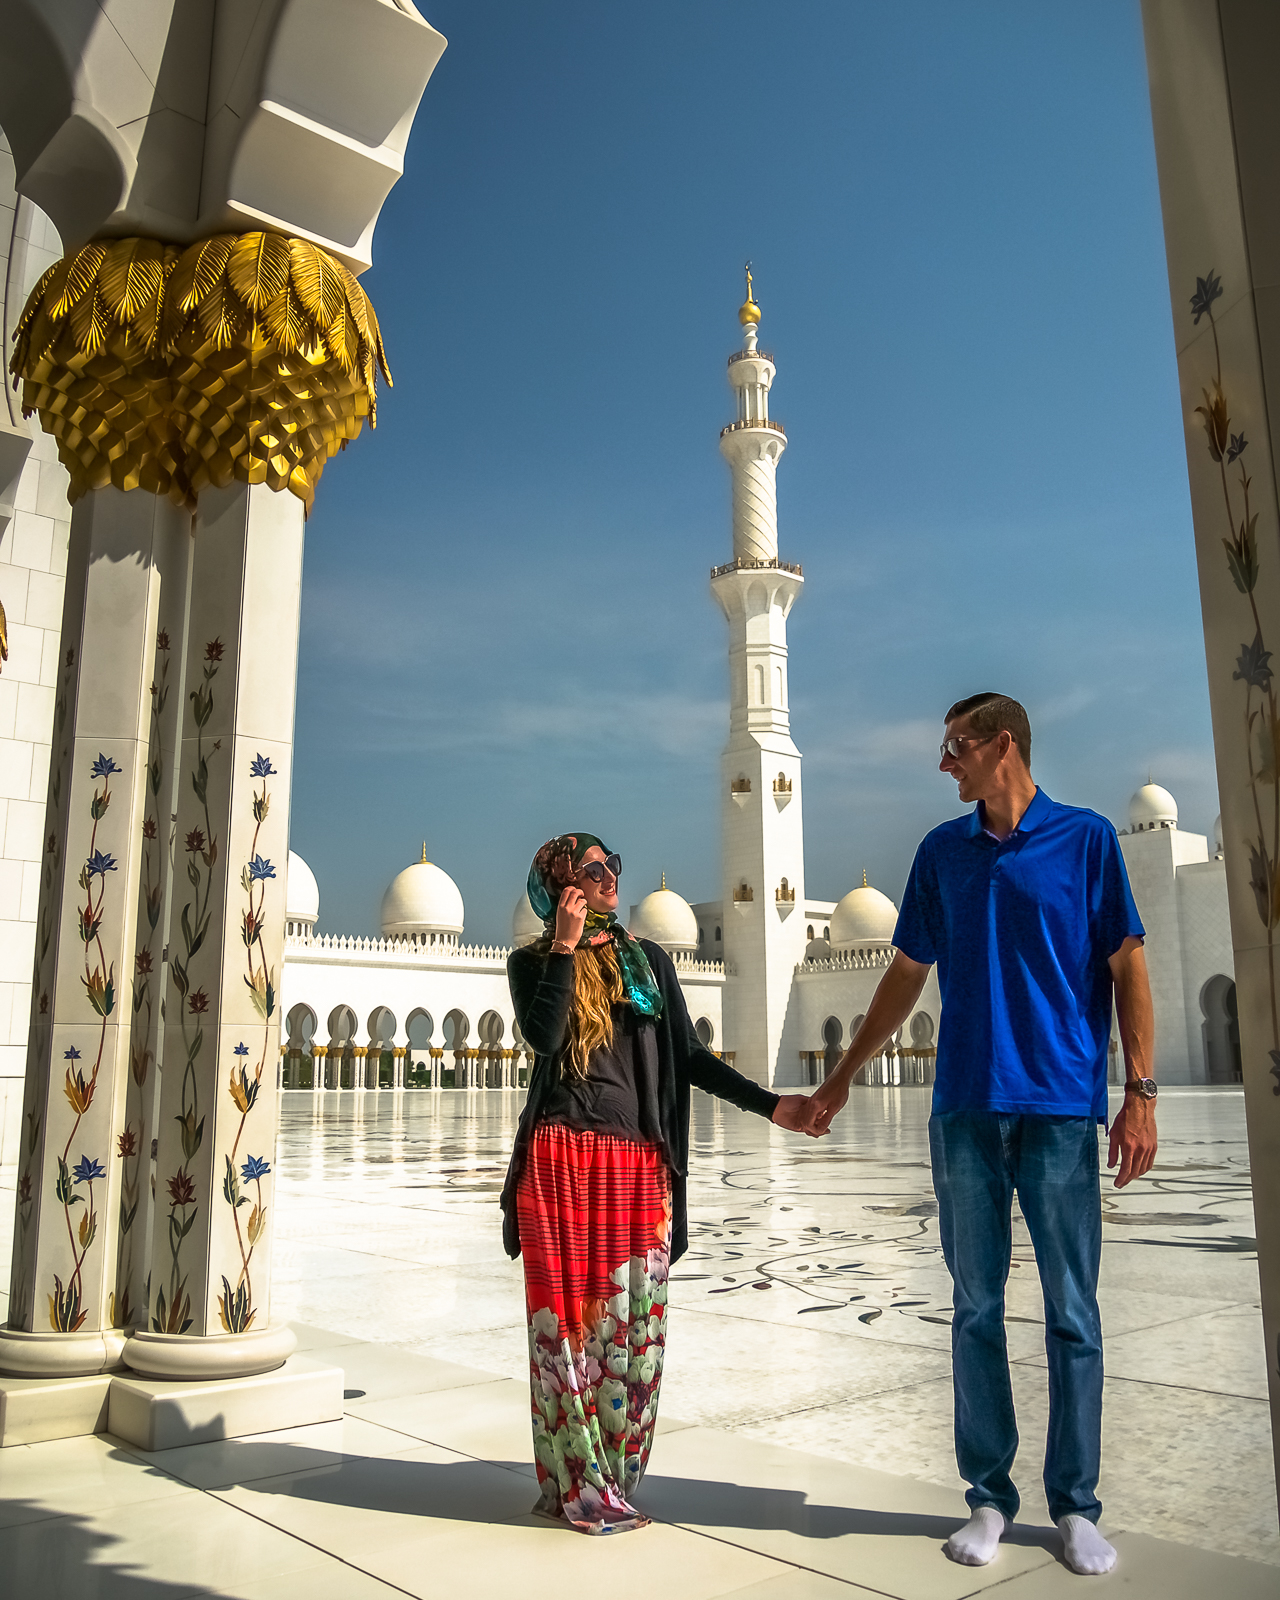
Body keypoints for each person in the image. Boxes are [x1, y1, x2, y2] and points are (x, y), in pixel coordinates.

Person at [810, 693, 1157, 1578]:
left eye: (955, 747)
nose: (943, 763)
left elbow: (1127, 965)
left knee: (1073, 1312)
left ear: (1004, 746)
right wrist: (843, 1077)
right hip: (965, 1109)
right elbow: (903, 976)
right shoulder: (942, 854)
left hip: (1059, 1111)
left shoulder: (1084, 841)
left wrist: (1140, 1091)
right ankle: (989, 1497)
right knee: (975, 1308)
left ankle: (1075, 1505)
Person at [501, 831, 822, 1534]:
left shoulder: (649, 962)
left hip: (637, 1167)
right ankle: (577, 1487)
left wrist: (775, 1106)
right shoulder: (531, 963)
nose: (609, 875)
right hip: (558, 1166)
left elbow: (690, 1057)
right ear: (559, 885)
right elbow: (545, 1037)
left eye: (612, 864)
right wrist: (563, 944)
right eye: (591, 868)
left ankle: (612, 1477)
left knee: (631, 1334)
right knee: (566, 1339)